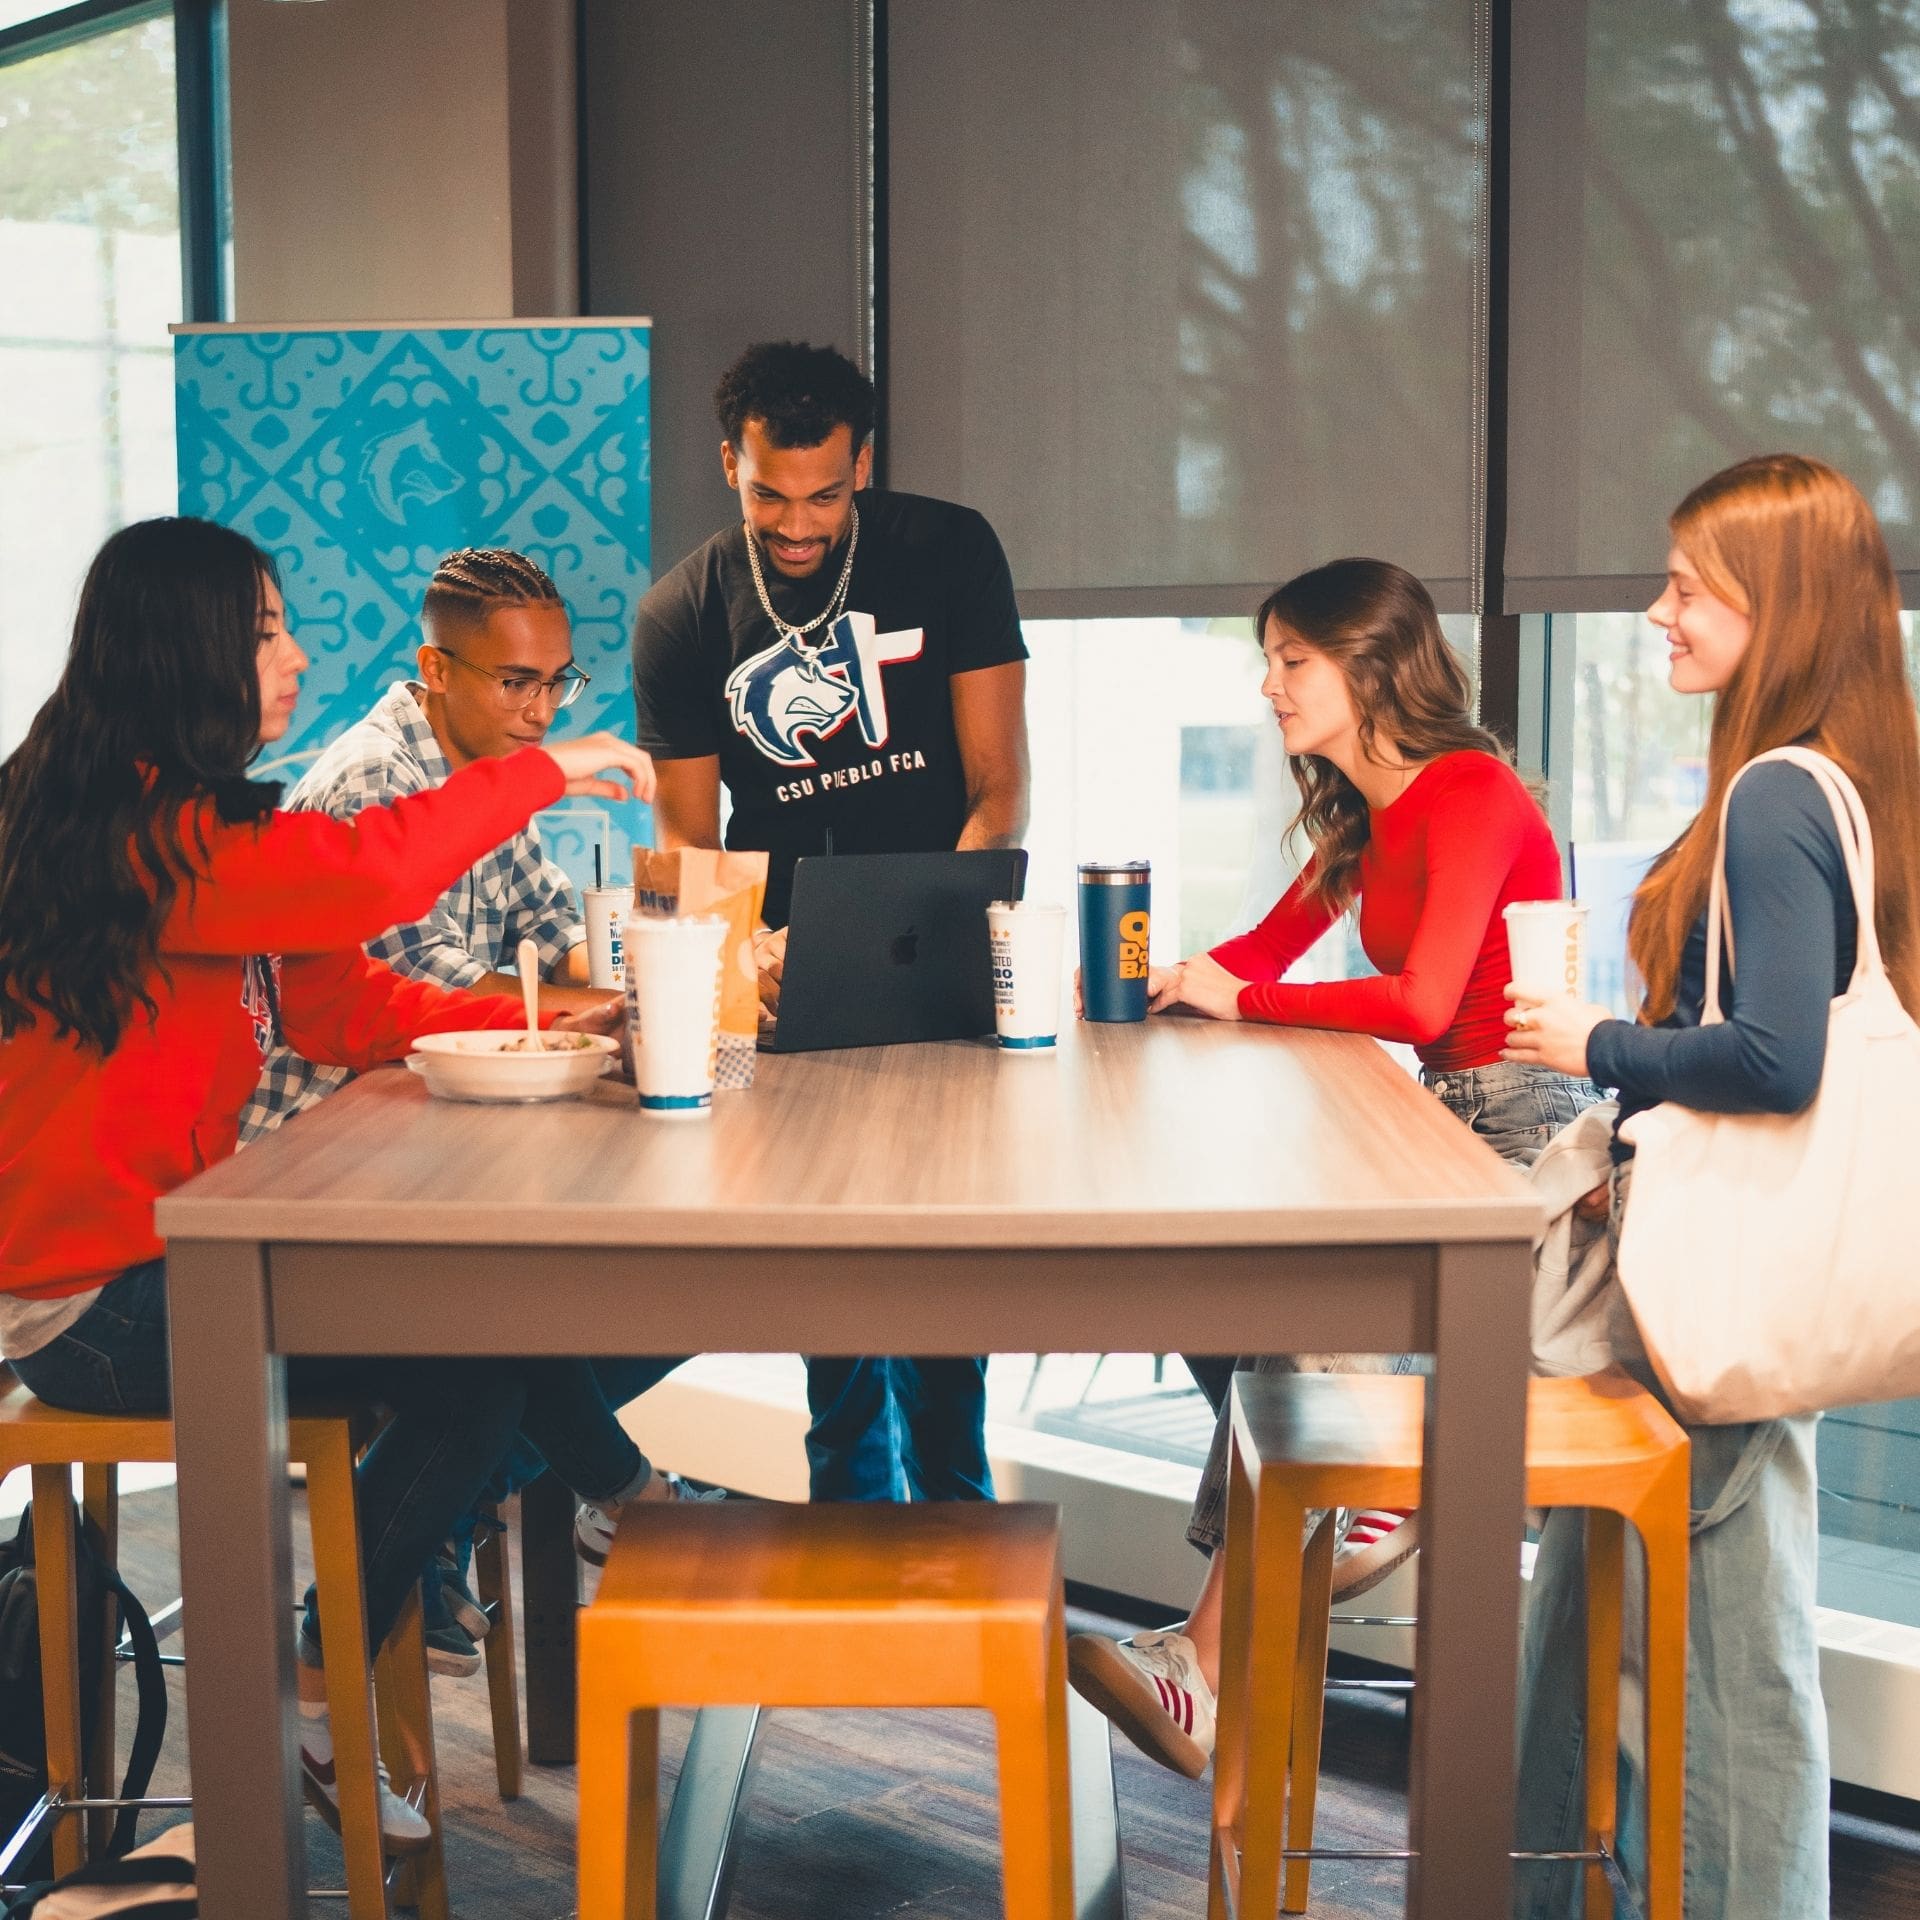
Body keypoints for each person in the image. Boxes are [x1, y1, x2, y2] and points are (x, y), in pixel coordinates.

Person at [0, 517, 673, 1851]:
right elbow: (358, 868)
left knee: (482, 1343)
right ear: (184, 651)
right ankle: (328, 1696)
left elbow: (333, 996)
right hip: (85, 1302)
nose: (298, 657)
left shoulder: (193, 826)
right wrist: (545, 769)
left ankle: (605, 1529)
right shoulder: (135, 840)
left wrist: (550, 1031)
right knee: (474, 1354)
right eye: (263, 631)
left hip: (171, 1250)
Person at [1066, 556, 1601, 1780]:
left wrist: (1243, 997)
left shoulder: (1467, 793)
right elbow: (1264, 944)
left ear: (1370, 668)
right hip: (1447, 1126)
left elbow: (1419, 1004)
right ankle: (1264, 1587)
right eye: (1269, 660)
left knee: (1304, 1312)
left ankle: (1354, 1502)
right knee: (1269, 1304)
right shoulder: (1367, 815)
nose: (1268, 687)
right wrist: (1165, 981)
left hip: (1524, 1137)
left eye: (1291, 662)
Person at [1503, 454, 1920, 1920]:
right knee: (1612, 1609)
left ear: (1779, 611)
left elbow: (1777, 1056)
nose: (1658, 612)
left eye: (1692, 590)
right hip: (1738, 1282)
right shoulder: (1849, 786)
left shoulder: (1773, 802)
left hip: (1713, 1287)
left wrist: (1593, 1044)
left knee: (1732, 1678)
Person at [240, 546, 697, 1677]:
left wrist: (676, 971)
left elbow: (545, 948)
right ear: (434, 670)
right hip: (330, 1161)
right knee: (514, 1328)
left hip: (436, 1137)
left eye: (559, 684)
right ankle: (614, 1494)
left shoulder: (494, 760)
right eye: (515, 684)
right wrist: (606, 1009)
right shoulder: (373, 788)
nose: (542, 709)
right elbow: (439, 1003)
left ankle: (457, 1507)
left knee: (683, 1277)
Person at [631, 340, 1031, 1504]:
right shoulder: (682, 615)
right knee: (830, 1292)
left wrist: (930, 920)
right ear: (729, 465)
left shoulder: (951, 551)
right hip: (780, 974)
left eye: (824, 494)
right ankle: (851, 1528)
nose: (797, 525)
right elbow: (690, 852)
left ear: (864, 463)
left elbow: (996, 785)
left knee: (950, 1271)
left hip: (944, 938)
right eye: (768, 494)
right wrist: (736, 954)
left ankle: (959, 1522)